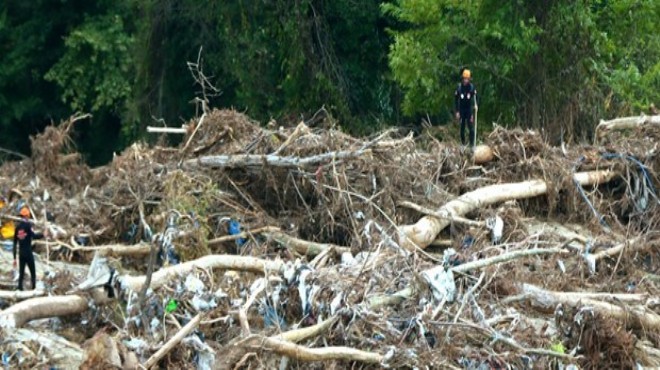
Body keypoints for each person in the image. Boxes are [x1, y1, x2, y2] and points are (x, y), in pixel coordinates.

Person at [12, 206, 44, 290]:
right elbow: (34, 236)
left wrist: (14, 258)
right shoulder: (28, 225)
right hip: (28, 253)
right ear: (26, 216)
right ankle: (33, 289)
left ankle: (20, 289)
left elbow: (15, 243)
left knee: (21, 274)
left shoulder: (17, 228)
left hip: (21, 254)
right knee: (33, 273)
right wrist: (43, 235)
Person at [454, 68, 479, 147]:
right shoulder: (459, 88)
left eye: (467, 79)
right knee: (462, 127)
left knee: (471, 127)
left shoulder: (471, 88)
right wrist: (457, 111)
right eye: (464, 79)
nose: (465, 81)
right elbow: (456, 99)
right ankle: (463, 143)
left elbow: (475, 96)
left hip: (469, 110)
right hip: (461, 109)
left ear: (469, 79)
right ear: (462, 78)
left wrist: (476, 104)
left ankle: (472, 144)